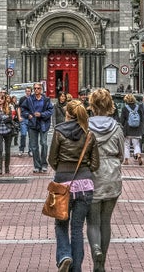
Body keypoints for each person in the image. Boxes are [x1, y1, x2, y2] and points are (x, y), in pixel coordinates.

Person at [48, 99, 100, 272]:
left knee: (61, 224)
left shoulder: (58, 131)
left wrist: (62, 169)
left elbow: (51, 159)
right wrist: (84, 172)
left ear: (67, 114)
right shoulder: (89, 134)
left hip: (63, 183)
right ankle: (76, 268)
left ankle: (64, 255)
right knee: (77, 229)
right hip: (85, 186)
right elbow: (95, 164)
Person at [87, 89, 124, 272]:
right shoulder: (117, 128)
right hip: (112, 176)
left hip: (93, 176)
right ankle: (101, 263)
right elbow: (122, 154)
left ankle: (95, 250)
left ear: (92, 105)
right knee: (106, 221)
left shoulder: (85, 127)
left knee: (92, 221)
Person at [21, 83, 53, 173]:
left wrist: (42, 114)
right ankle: (37, 165)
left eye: (38, 88)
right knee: (34, 146)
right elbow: (23, 109)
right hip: (33, 124)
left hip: (43, 124)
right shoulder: (29, 99)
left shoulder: (46, 100)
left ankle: (44, 164)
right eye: (34, 88)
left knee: (43, 143)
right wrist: (29, 116)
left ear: (41, 89)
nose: (36, 90)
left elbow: (50, 111)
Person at [0, 93, 17, 175]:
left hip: (8, 131)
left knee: (8, 151)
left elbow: (10, 118)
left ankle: (7, 168)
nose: (0, 100)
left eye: (2, 98)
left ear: (4, 100)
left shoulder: (8, 108)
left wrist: (1, 118)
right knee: (0, 150)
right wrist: (3, 118)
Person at [119, 94, 144, 165]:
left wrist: (122, 127)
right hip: (137, 129)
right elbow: (142, 119)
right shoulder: (138, 107)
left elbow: (122, 120)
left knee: (126, 144)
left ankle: (126, 160)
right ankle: (138, 154)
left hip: (127, 129)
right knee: (136, 144)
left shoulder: (124, 108)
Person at [18, 86, 32, 156]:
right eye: (26, 91)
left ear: (31, 92)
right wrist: (19, 117)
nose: (27, 92)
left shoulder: (33, 99)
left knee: (31, 136)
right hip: (23, 118)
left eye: (29, 91)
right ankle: (21, 149)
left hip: (31, 120)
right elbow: (19, 108)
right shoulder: (22, 99)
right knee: (23, 134)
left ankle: (30, 150)